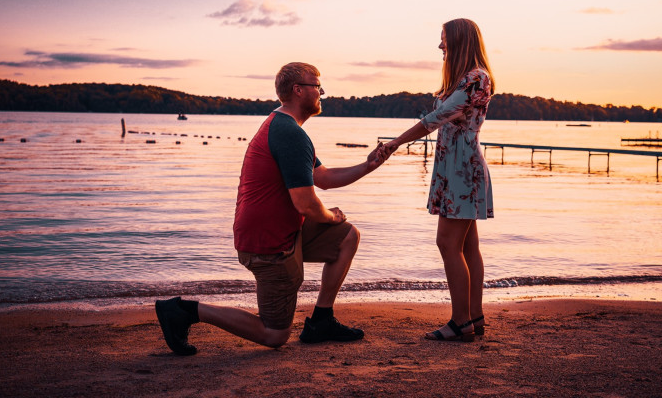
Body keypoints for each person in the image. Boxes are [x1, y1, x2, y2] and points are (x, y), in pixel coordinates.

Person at [156, 62, 390, 355]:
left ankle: (321, 321)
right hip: (267, 244)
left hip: (283, 231)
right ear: (298, 91)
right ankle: (184, 311)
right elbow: (305, 203)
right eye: (317, 87)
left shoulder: (286, 128)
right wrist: (331, 215)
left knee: (347, 236)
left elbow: (324, 178)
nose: (321, 92)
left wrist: (369, 164)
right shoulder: (288, 132)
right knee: (274, 334)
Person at [382, 18, 494, 342]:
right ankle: (474, 316)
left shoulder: (476, 78)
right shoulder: (467, 78)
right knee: (467, 245)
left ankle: (461, 322)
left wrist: (394, 142)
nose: (440, 45)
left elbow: (434, 120)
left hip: (461, 172)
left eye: (444, 39)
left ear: (459, 40)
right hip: (455, 169)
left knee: (447, 243)